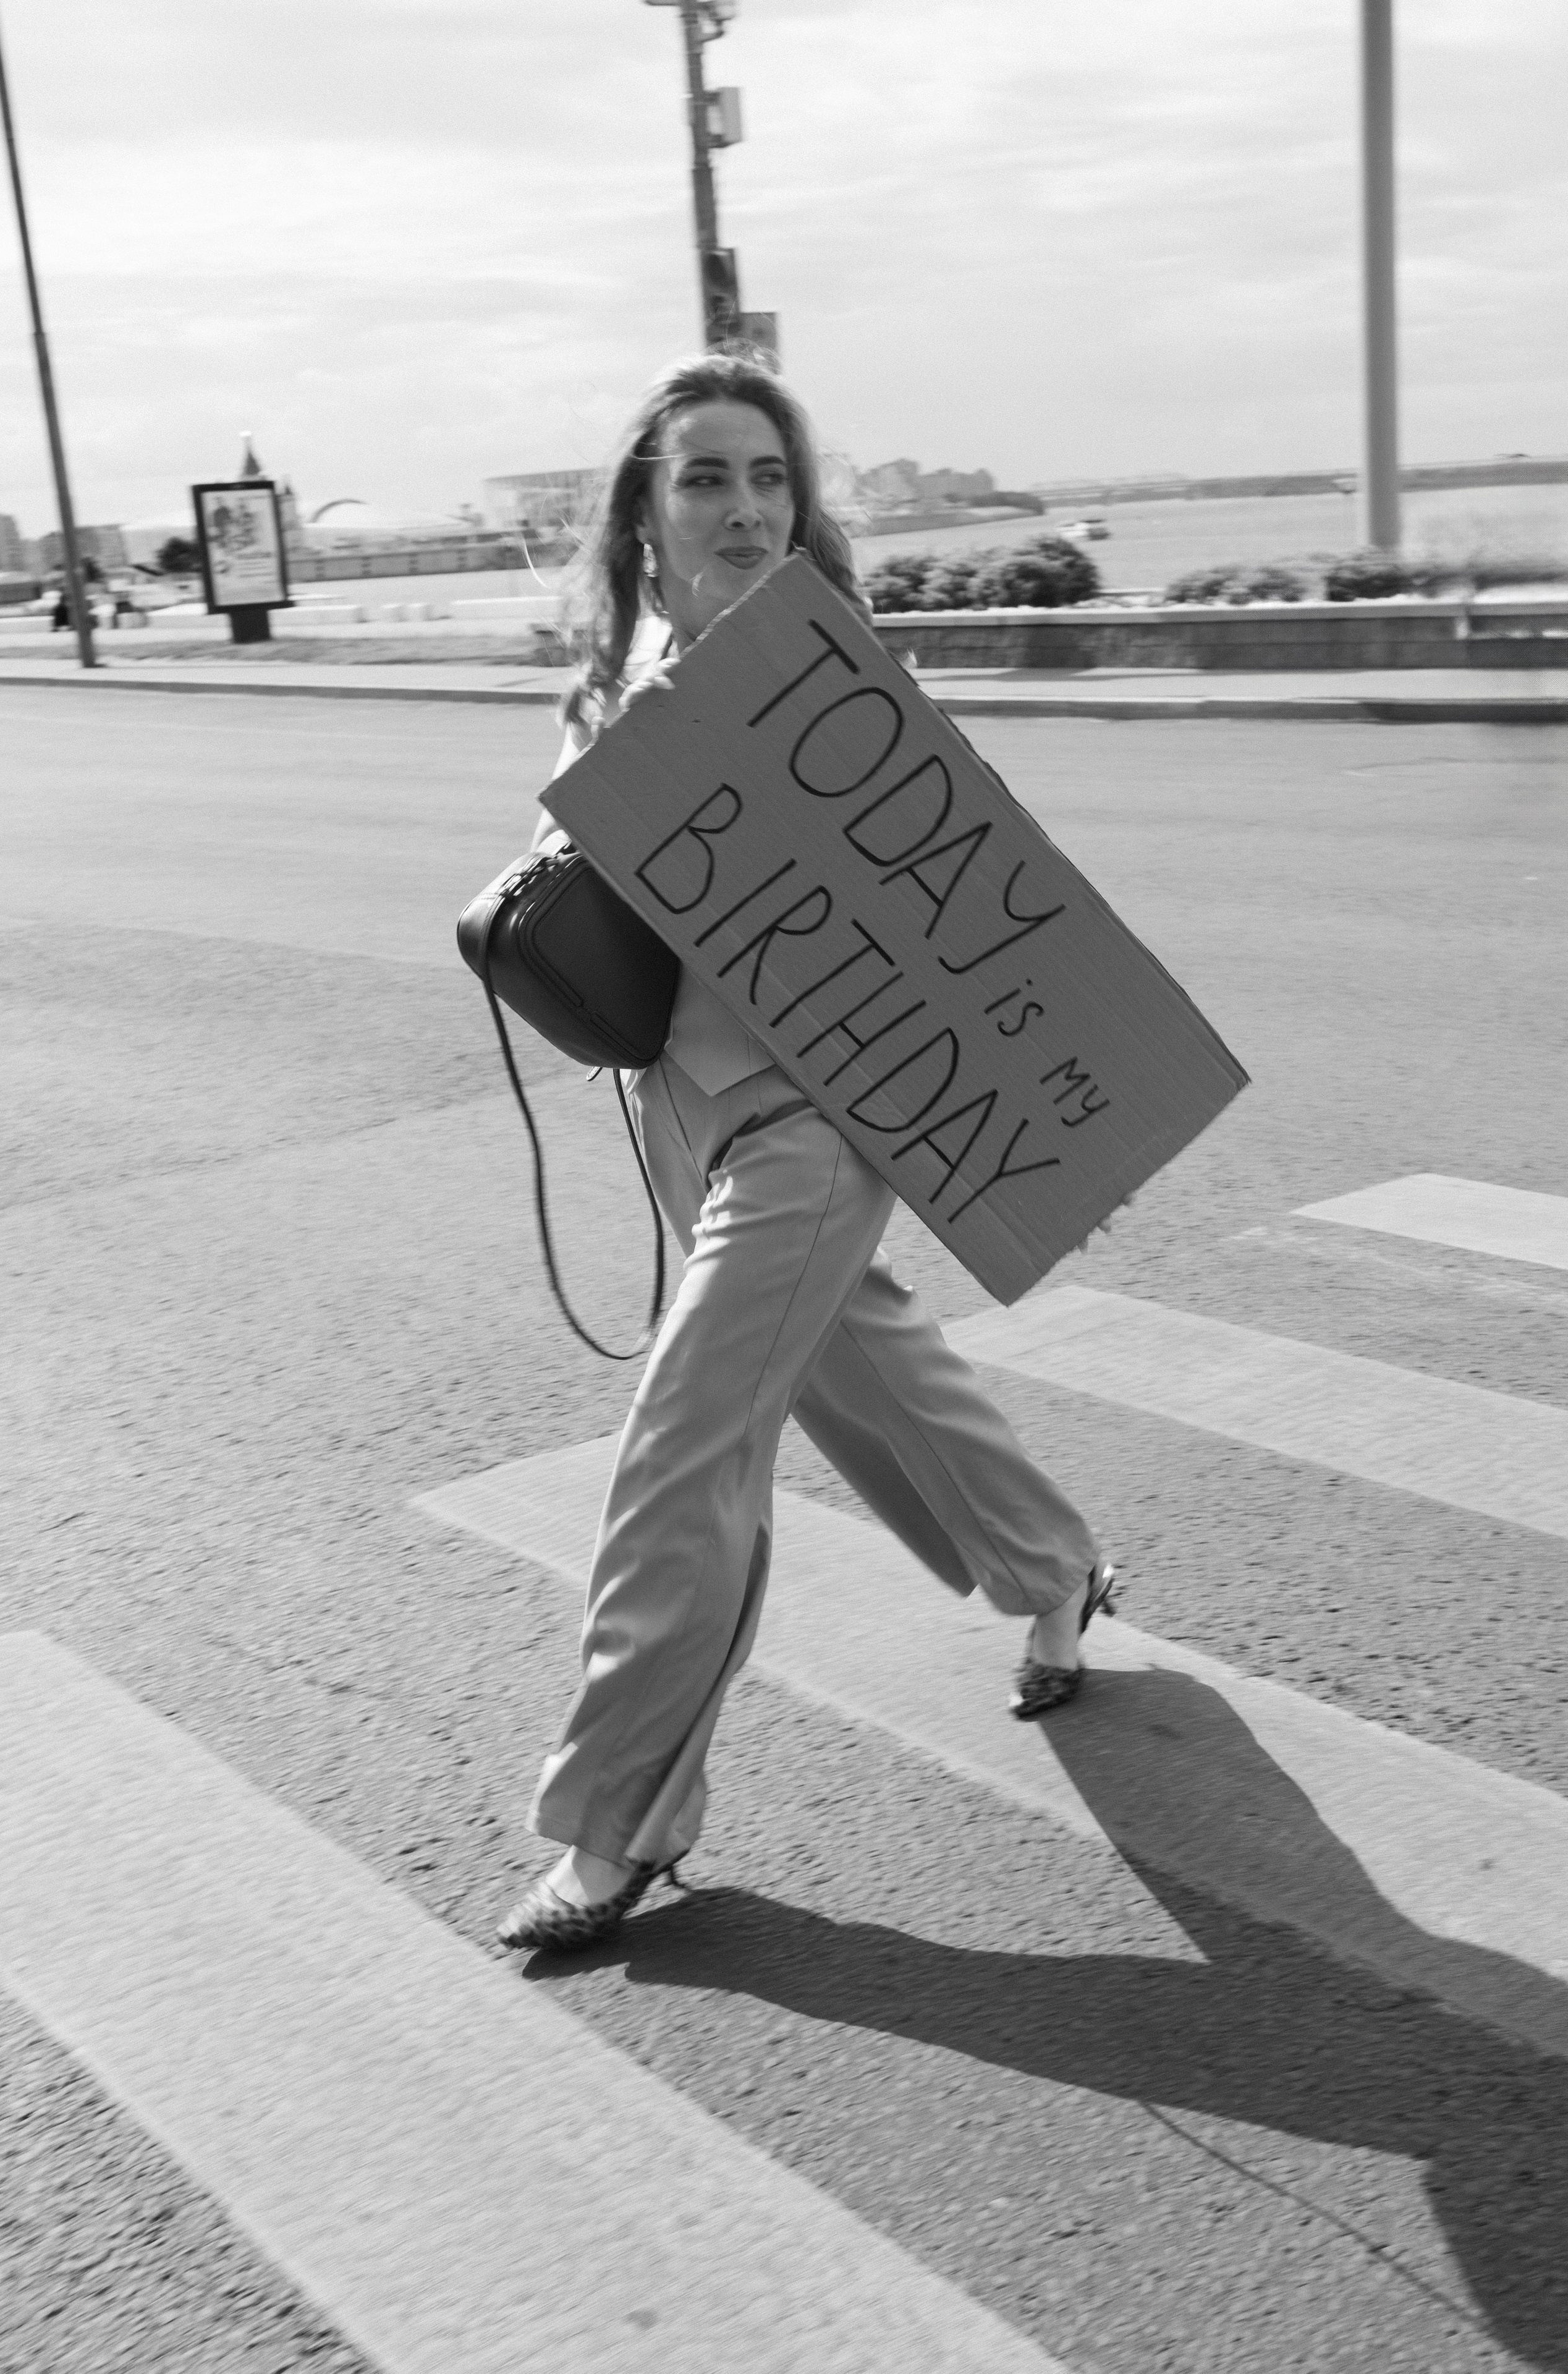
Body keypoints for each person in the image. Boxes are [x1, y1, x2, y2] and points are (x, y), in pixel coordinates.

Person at [498, 352, 1116, 1954]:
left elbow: (950, 899)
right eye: (707, 477)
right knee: (874, 1367)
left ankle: (616, 1821)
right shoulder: (611, 690)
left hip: (817, 1126)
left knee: (685, 1447)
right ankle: (1058, 1565)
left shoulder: (838, 684)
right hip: (680, 1118)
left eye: (769, 477)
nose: (746, 506)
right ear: (645, 510)